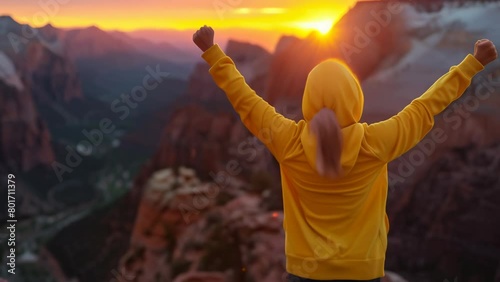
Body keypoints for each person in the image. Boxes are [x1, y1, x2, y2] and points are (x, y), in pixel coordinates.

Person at [192, 25, 497, 281]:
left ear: (309, 98)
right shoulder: (377, 142)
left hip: (303, 273)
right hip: (363, 272)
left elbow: (244, 98)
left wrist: (212, 51)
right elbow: (428, 105)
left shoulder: (288, 140)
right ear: (355, 97)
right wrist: (473, 63)